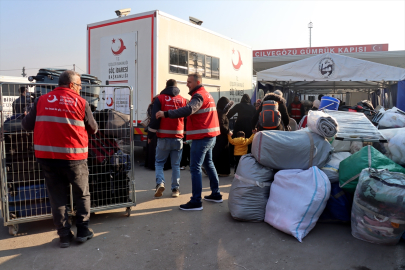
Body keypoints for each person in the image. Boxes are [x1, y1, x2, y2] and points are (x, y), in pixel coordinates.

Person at [22, 70, 98, 248]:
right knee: (82, 195)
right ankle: (83, 231)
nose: (80, 88)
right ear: (72, 85)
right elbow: (93, 129)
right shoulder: (81, 102)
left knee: (57, 198)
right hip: (75, 158)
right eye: (79, 85)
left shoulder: (41, 101)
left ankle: (64, 236)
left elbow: (26, 126)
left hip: (47, 158)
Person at [156, 73, 222, 211]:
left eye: (189, 81)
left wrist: (166, 113)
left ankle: (196, 201)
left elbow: (189, 109)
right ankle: (216, 194)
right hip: (210, 136)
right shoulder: (207, 94)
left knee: (195, 168)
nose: (187, 84)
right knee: (209, 164)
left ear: (197, 82)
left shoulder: (198, 96)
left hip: (202, 138)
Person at [148, 79, 187, 198]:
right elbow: (187, 118)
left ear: (166, 86)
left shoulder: (160, 98)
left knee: (159, 163)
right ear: (176, 87)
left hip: (163, 138)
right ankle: (175, 189)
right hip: (178, 138)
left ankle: (160, 183)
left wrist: (150, 135)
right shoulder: (183, 100)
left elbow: (155, 119)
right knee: (176, 165)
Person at [212, 97, 234, 177]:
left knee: (219, 153)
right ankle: (222, 171)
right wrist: (228, 131)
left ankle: (217, 170)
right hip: (222, 136)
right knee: (222, 154)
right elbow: (221, 125)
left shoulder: (219, 112)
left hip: (220, 136)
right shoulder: (221, 113)